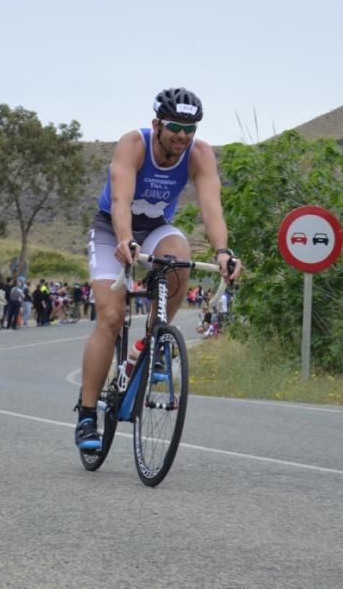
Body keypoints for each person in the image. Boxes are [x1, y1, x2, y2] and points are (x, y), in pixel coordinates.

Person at [75, 87, 242, 452]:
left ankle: (153, 342)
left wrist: (223, 253)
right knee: (111, 315)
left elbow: (211, 208)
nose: (182, 136)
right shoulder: (134, 144)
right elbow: (120, 199)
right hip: (111, 228)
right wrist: (123, 239)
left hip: (154, 231)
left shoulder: (198, 154)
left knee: (179, 254)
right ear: (157, 124)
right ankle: (87, 413)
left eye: (190, 129)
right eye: (174, 128)